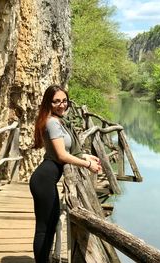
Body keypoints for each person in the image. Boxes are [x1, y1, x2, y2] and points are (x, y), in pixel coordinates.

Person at [29, 84, 101, 263]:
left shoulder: (59, 120)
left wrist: (85, 155)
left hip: (47, 178)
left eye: (64, 101)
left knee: (51, 224)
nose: (62, 105)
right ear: (48, 103)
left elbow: (63, 149)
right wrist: (87, 164)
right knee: (44, 228)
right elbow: (61, 155)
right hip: (44, 180)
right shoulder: (53, 122)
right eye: (56, 102)